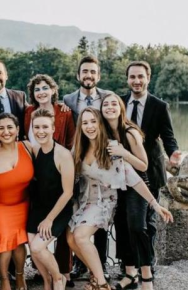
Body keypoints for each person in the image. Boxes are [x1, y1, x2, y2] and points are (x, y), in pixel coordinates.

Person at [66, 107, 173, 290]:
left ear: (100, 124)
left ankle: (101, 284)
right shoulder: (79, 148)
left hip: (104, 202)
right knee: (70, 239)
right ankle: (95, 274)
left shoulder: (110, 148)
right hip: (85, 201)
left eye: (93, 122)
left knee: (81, 236)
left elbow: (134, 179)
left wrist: (155, 205)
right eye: (85, 123)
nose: (89, 126)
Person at [120, 61, 181, 274]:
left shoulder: (159, 106)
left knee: (148, 220)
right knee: (126, 220)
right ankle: (128, 264)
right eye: (132, 77)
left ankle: (148, 261)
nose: (136, 81)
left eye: (140, 77)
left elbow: (168, 136)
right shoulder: (119, 102)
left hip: (150, 170)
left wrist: (173, 152)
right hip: (124, 170)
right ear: (127, 79)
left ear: (148, 78)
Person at [63, 55, 113, 280]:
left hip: (103, 164)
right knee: (78, 217)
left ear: (98, 75)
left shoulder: (109, 98)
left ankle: (100, 268)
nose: (89, 75)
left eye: (93, 72)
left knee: (98, 225)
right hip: (80, 164)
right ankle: (81, 266)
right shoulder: (68, 100)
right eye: (85, 71)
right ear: (78, 75)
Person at [25, 74, 76, 286]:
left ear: (54, 128)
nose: (41, 131)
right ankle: (46, 281)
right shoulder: (32, 149)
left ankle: (58, 277)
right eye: (37, 128)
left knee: (37, 247)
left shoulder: (63, 154)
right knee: (31, 243)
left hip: (58, 208)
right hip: (39, 205)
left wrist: (49, 220)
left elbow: (68, 192)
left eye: (45, 127)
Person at [100, 93, 154, 289]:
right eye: (106, 104)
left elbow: (143, 165)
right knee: (121, 226)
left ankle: (146, 275)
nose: (110, 107)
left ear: (121, 108)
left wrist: (124, 153)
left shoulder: (130, 132)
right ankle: (130, 273)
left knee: (137, 226)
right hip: (116, 184)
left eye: (114, 103)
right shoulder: (102, 132)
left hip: (136, 184)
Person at [0, 113, 34, 290]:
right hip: (0, 206)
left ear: (17, 130)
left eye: (10, 127)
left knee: (20, 242)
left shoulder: (27, 147)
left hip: (24, 204)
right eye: (1, 128)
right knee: (5, 241)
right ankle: (4, 279)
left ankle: (20, 277)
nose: (6, 132)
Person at [25, 74, 75, 149]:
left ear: (53, 90)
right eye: (37, 90)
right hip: (31, 159)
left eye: (45, 88)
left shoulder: (65, 113)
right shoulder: (28, 111)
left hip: (58, 158)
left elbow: (71, 142)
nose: (41, 92)